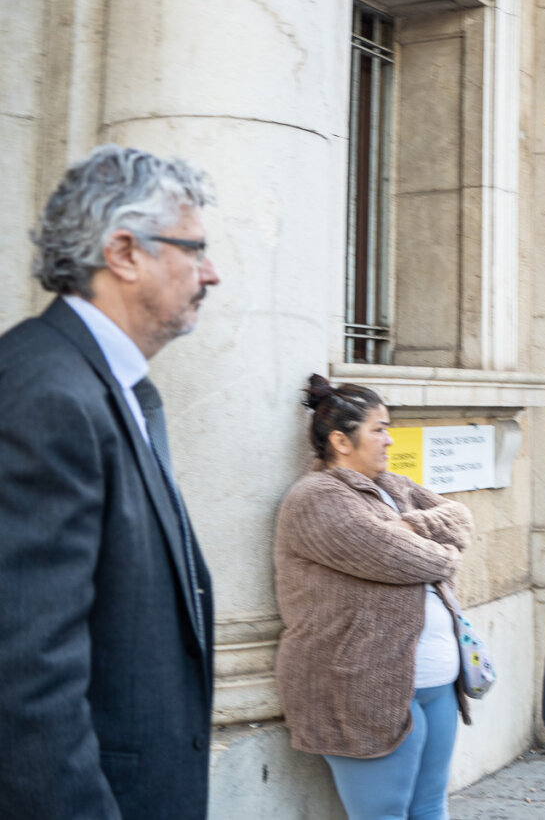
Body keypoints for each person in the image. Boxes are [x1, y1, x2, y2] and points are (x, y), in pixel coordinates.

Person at [0, 144, 220, 819]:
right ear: (124, 253)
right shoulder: (48, 390)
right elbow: (26, 673)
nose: (212, 274)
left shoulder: (112, 386)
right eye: (195, 249)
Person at [274, 375, 475, 820]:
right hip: (363, 687)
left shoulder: (397, 486)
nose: (389, 439)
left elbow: (461, 518)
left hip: (437, 685)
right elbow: (404, 559)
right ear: (341, 441)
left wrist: (410, 530)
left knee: (430, 808)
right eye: (379, 429)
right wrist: (432, 547)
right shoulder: (315, 498)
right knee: (382, 814)